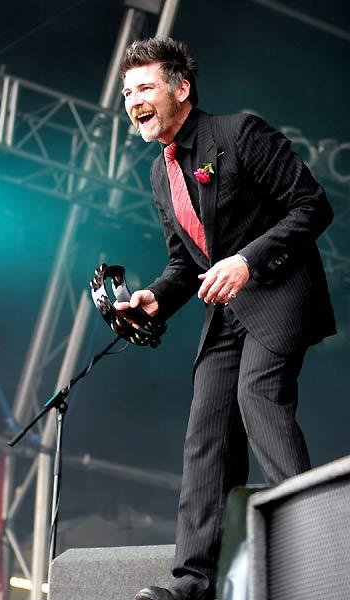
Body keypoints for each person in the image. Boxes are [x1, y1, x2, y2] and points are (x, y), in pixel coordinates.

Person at [116, 37, 336, 600]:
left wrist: (246, 260)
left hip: (279, 290)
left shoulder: (238, 133)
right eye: (127, 93)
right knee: (206, 430)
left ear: (181, 89)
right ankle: (195, 580)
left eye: (144, 87)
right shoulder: (160, 174)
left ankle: (318, 550)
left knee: (257, 396)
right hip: (229, 310)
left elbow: (312, 204)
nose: (133, 101)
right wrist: (154, 298)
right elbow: (183, 263)